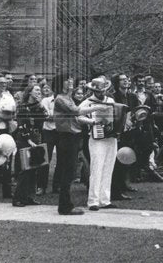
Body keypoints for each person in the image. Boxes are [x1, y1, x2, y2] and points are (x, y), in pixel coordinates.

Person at [78, 77, 124, 211]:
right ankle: (93, 201)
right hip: (96, 136)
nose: (102, 93)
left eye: (104, 90)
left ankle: (105, 199)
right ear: (93, 90)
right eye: (99, 91)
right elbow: (78, 116)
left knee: (109, 167)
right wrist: (92, 122)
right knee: (96, 167)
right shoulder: (87, 102)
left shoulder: (110, 101)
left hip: (111, 138)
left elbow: (117, 116)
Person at [52, 81, 87, 215]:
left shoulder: (68, 98)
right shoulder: (60, 99)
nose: (71, 83)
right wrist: (97, 108)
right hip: (67, 137)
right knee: (68, 172)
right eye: (68, 81)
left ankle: (66, 205)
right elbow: (76, 111)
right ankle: (65, 207)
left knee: (70, 172)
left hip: (73, 136)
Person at [12, 82, 46, 207]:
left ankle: (28, 196)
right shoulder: (22, 107)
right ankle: (17, 198)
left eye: (39, 90)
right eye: (36, 90)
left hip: (37, 137)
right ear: (30, 92)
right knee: (25, 169)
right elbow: (21, 125)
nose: (38, 92)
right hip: (25, 139)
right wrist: (29, 140)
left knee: (34, 168)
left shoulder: (38, 106)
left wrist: (41, 104)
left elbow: (45, 118)